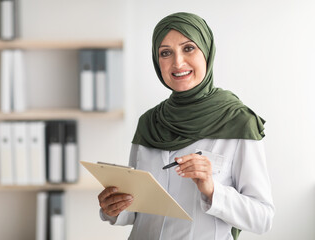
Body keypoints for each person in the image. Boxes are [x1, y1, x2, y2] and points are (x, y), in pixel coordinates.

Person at [98, 12, 274, 240]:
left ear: (207, 52)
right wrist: (113, 208)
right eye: (166, 53)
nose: (177, 62)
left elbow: (263, 218)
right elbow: (136, 209)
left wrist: (212, 189)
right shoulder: (149, 122)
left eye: (188, 48)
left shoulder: (238, 120)